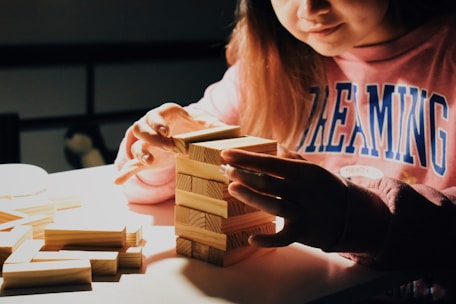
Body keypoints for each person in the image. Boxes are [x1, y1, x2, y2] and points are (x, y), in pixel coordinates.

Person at [115, 0, 456, 301]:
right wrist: (160, 158)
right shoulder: (264, 67)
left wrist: (360, 219)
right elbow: (138, 182)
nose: (310, 9)